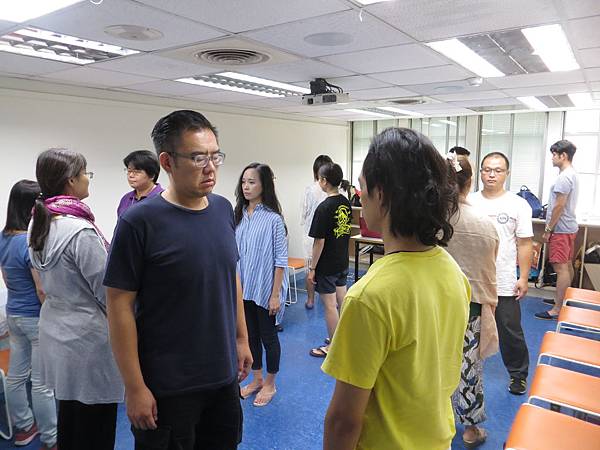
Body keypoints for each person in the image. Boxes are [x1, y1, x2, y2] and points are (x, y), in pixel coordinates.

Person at [104, 110, 252, 450]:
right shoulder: (138, 222)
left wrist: (242, 338)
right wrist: (135, 387)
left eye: (215, 156)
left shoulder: (222, 209)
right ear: (167, 161)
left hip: (222, 379)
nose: (211, 167)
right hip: (168, 387)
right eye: (198, 158)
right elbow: (119, 306)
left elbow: (230, 275)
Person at [322, 128, 470, 450]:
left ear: (381, 194)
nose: (359, 195)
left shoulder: (369, 297)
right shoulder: (452, 271)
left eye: (362, 186)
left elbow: (344, 420)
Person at [28, 148, 124, 450]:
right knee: (96, 425)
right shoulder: (80, 231)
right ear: (71, 180)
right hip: (89, 338)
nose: (87, 179)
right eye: (85, 173)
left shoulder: (40, 221)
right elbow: (108, 292)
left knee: (70, 417)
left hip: (57, 329)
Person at [446, 153, 499, 449]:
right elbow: (488, 271)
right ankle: (469, 429)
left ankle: (433, 416)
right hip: (471, 307)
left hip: (432, 306)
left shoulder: (429, 221)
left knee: (430, 361)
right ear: (469, 183)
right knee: (468, 367)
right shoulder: (484, 224)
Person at [469, 152, 533, 395]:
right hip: (473, 279)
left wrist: (523, 277)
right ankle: (464, 370)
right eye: (486, 170)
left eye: (497, 170)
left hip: (504, 279)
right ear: (480, 173)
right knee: (467, 327)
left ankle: (518, 375)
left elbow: (525, 243)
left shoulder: (518, 205)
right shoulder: (469, 202)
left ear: (507, 173)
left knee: (509, 330)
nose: (491, 175)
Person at [0, 180, 57, 450]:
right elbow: (41, 289)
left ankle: (24, 428)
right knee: (42, 383)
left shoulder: (3, 237)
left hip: (14, 313)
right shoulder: (29, 242)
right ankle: (51, 438)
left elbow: (7, 278)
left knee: (16, 376)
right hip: (35, 317)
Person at [234, 163, 288, 407]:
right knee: (250, 336)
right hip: (243, 289)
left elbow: (280, 260)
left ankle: (270, 383)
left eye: (252, 182)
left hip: (265, 290)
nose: (246, 186)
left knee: (269, 338)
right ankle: (256, 379)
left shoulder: (274, 220)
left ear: (264, 185)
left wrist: (275, 295)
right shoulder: (238, 216)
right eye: (244, 181)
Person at [307, 162, 351, 358]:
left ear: (324, 181)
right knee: (342, 302)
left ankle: (333, 347)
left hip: (327, 265)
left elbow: (319, 242)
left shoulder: (324, 207)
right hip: (342, 261)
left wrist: (312, 268)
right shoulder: (345, 202)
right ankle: (343, 338)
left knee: (330, 305)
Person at [535, 140, 578, 320]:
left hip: (561, 229)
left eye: (554, 154)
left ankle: (557, 309)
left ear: (563, 156)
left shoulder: (564, 178)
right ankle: (563, 300)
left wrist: (548, 229)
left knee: (561, 268)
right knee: (566, 265)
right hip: (568, 227)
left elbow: (559, 206)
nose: (552, 158)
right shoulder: (571, 174)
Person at [300, 155, 332, 309]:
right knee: (327, 269)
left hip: (311, 234)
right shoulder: (333, 191)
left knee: (310, 269)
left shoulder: (309, 190)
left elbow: (304, 213)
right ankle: (329, 299)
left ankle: (310, 300)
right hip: (329, 236)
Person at [117, 150, 164, 217]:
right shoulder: (126, 199)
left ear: (152, 175)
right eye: (129, 171)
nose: (131, 175)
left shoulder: (164, 199)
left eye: (136, 172)